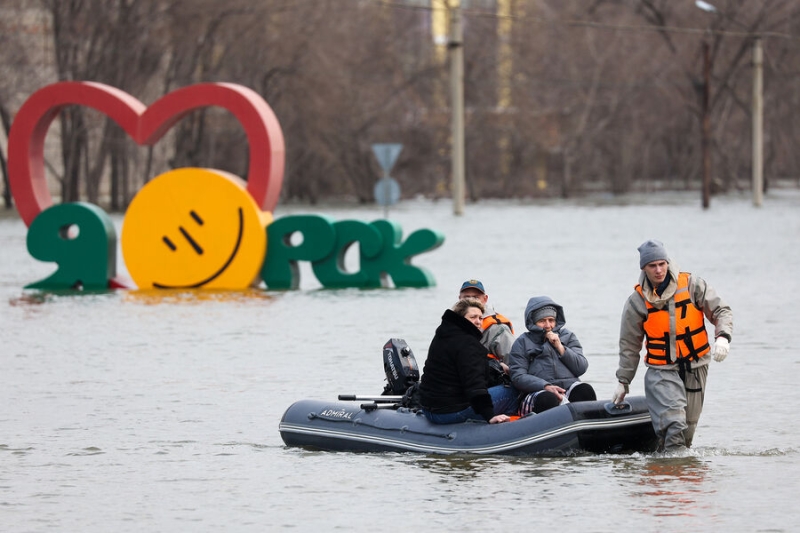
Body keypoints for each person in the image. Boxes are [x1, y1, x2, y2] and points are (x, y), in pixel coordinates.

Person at [612, 239, 733, 452]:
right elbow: (629, 345)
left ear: (667, 262)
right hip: (661, 370)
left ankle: (671, 473)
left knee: (687, 431)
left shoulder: (692, 284)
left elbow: (721, 310)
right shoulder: (637, 301)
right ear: (644, 268)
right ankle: (669, 472)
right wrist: (623, 380)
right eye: (652, 266)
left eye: (662, 264)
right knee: (674, 423)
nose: (659, 270)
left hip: (696, 365)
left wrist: (723, 336)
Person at [418, 297, 518, 424]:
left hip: (429, 410)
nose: (478, 322)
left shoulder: (442, 336)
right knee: (511, 391)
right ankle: (504, 428)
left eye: (480, 318)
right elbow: (475, 385)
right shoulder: (469, 344)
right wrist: (489, 415)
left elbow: (458, 361)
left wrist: (495, 364)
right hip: (450, 413)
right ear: (461, 318)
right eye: (473, 317)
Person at [509, 296, 596, 415]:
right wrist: (545, 386)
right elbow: (518, 376)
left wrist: (560, 347)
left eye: (551, 320)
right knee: (548, 399)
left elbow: (581, 367)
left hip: (567, 387)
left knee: (585, 390)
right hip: (539, 391)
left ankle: (590, 430)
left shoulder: (568, 336)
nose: (548, 325)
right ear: (533, 322)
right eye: (542, 321)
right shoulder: (522, 342)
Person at [458, 278, 516, 369]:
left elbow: (514, 361)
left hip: (490, 378)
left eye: (476, 298)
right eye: (466, 297)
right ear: (459, 299)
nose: (470, 301)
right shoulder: (452, 325)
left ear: (485, 299)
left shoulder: (498, 328)